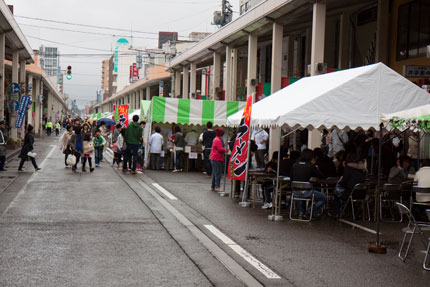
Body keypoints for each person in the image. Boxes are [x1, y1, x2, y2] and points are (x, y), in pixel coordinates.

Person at [290, 149, 327, 219]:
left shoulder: (294, 165)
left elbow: (291, 178)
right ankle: (311, 212)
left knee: (301, 190)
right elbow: (322, 176)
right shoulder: (310, 166)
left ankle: (301, 213)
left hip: (295, 192)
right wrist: (317, 168)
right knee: (324, 198)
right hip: (307, 192)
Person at [334, 152, 367, 216]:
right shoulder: (363, 169)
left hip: (350, 193)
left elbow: (344, 182)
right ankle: (354, 211)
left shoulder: (348, 168)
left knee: (337, 194)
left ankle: (337, 212)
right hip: (362, 193)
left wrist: (340, 181)